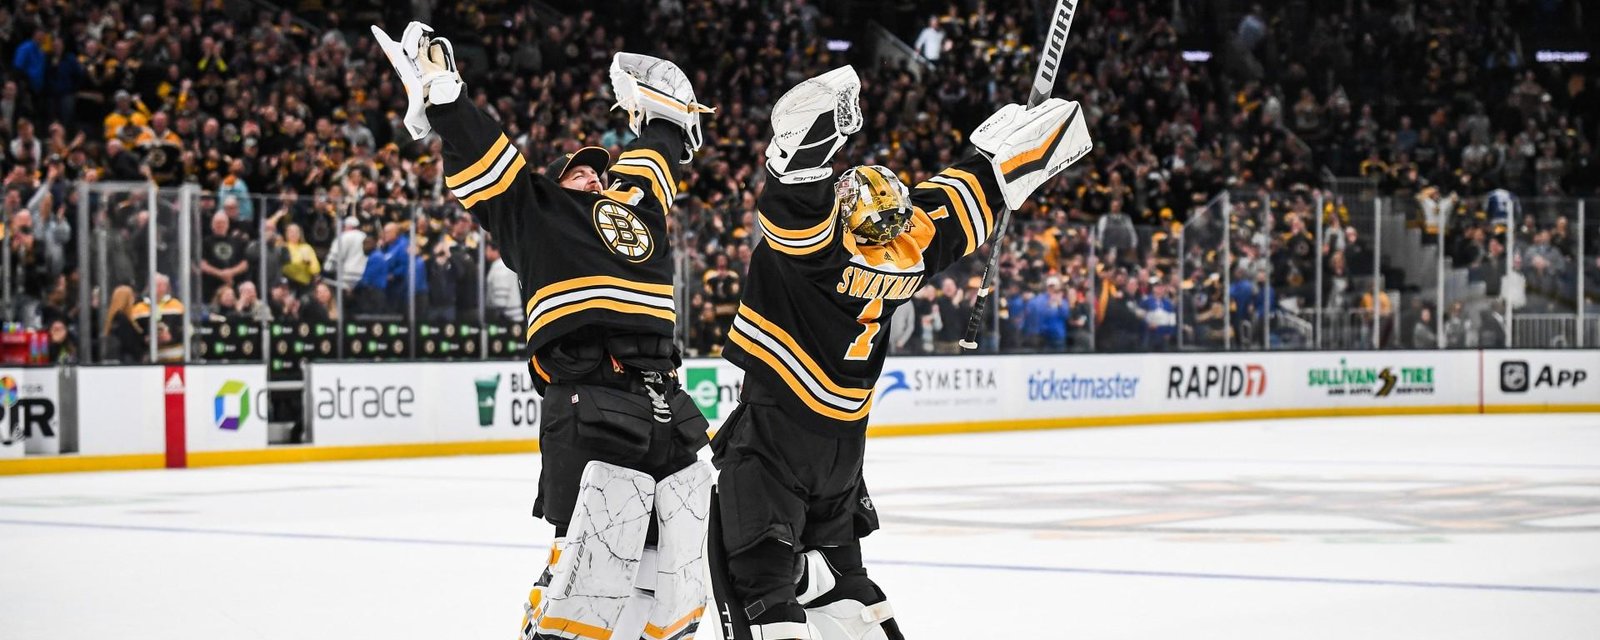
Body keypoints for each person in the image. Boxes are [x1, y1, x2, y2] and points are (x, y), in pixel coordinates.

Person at [707, 66, 1091, 639]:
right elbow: (959, 205)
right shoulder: (907, 252)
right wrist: (1001, 167)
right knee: (845, 586)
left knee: (760, 591)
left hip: (776, 440)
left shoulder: (817, 257)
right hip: (844, 455)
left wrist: (814, 135)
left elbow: (792, 192)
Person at [371, 22, 714, 640]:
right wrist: (446, 99)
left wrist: (668, 121)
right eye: (580, 174)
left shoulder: (632, 205)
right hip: (589, 400)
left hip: (666, 403)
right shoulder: (534, 214)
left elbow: (659, 155)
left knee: (674, 580)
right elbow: (487, 160)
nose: (595, 179)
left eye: (599, 173)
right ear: (555, 185)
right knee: (585, 578)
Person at [101, 284, 144, 363]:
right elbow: (129, 342)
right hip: (126, 360)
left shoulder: (112, 319)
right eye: (131, 296)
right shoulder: (122, 319)